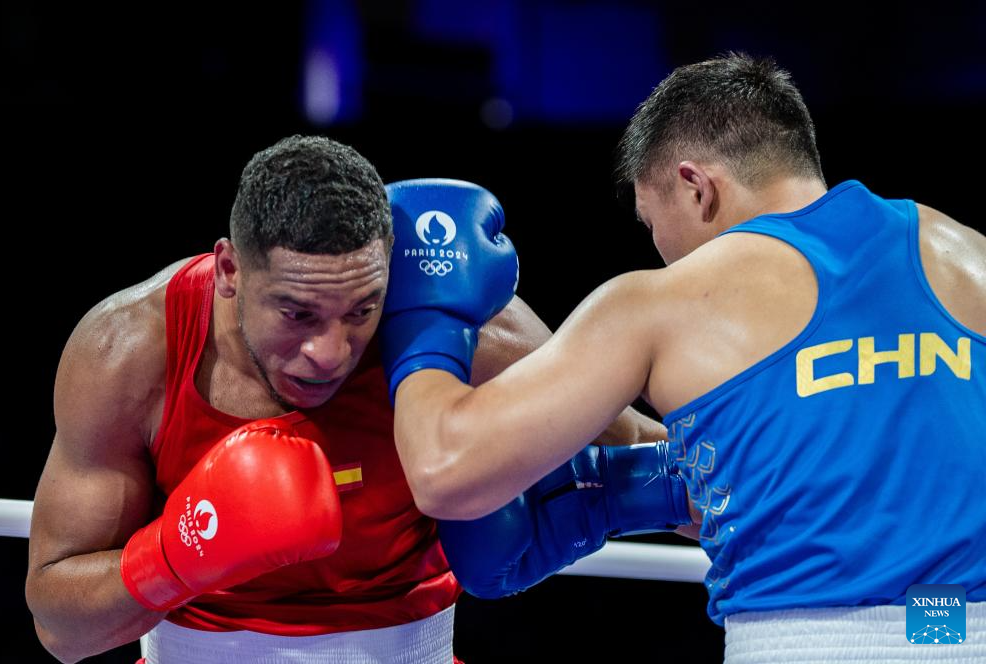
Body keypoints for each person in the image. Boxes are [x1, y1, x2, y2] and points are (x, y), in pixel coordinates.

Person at [381, 54, 986, 661]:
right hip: (960, 629)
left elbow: (444, 471)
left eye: (651, 221)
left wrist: (422, 317)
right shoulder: (967, 256)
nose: (660, 249)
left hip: (803, 643)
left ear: (698, 187)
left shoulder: (665, 302)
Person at [24, 135, 679, 664]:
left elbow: (677, 463)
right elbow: (61, 629)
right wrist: (179, 553)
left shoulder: (466, 334)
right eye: (297, 312)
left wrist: (767, 493)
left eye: (362, 309)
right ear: (230, 270)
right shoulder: (133, 351)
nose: (330, 351)